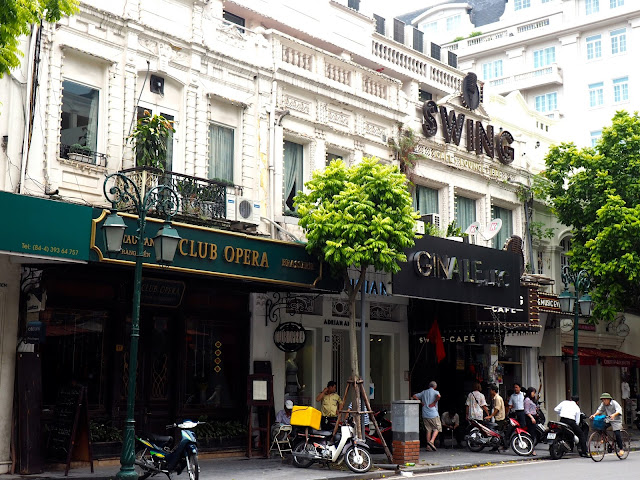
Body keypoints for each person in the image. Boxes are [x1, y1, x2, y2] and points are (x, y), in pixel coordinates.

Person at [590, 392, 625, 457]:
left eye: (605, 399)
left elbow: (619, 410)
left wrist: (614, 415)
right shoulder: (603, 404)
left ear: (609, 399)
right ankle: (605, 437)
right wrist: (594, 415)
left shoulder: (614, 403)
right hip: (609, 419)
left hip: (616, 419)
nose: (604, 401)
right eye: (603, 400)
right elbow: (600, 410)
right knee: (601, 426)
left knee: (617, 433)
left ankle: (621, 449)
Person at [412, 381, 442, 451]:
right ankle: (431, 441)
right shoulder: (436, 392)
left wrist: (421, 402)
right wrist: (434, 402)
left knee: (428, 430)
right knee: (437, 428)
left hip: (425, 413)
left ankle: (428, 446)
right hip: (433, 413)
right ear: (435, 386)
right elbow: (439, 396)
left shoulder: (424, 392)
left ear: (429, 386)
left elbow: (414, 396)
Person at [523, 387, 539, 456]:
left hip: (535, 416)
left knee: (536, 434)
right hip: (530, 418)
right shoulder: (527, 400)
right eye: (533, 392)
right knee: (531, 434)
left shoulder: (532, 400)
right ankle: (531, 449)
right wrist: (532, 418)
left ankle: (532, 447)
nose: (534, 394)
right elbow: (526, 411)